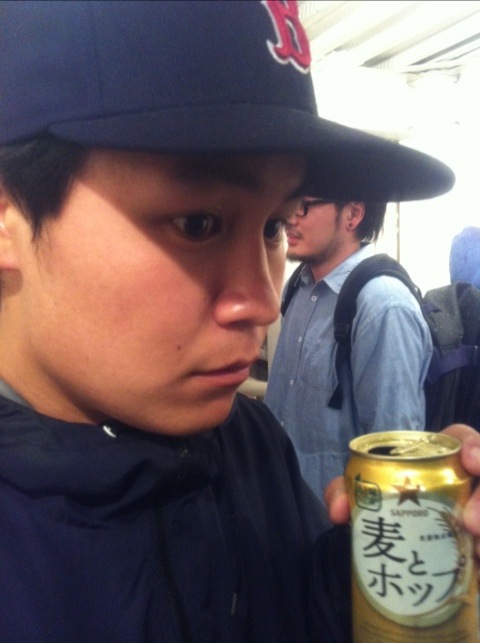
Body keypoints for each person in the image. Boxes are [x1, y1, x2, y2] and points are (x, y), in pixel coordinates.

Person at [0, 2, 477, 642]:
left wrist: (391, 580)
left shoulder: (249, 442)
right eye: (198, 223)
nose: (262, 303)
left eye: (274, 225)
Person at [265, 199, 432, 529]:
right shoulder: (298, 286)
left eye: (306, 205)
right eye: (290, 202)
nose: (290, 217)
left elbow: (394, 454)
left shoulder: (382, 305)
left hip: (336, 531)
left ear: (353, 214)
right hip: (282, 514)